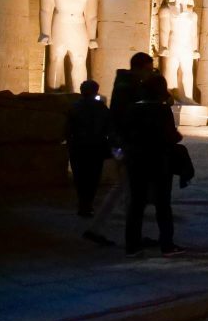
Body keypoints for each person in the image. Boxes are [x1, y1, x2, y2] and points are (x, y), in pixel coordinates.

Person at [83, 52, 156, 247]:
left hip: (122, 143)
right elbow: (128, 117)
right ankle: (124, 235)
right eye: (149, 70)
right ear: (139, 68)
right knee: (129, 191)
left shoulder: (126, 85)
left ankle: (99, 230)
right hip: (126, 144)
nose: (150, 74)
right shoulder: (128, 87)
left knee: (124, 190)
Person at [122, 72, 183, 256]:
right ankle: (167, 244)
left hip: (137, 160)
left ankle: (132, 245)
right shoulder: (162, 110)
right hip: (159, 160)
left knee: (136, 204)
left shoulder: (133, 109)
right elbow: (171, 136)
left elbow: (126, 134)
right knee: (163, 204)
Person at [66, 80, 111, 217]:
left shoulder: (74, 107)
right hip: (96, 146)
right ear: (96, 91)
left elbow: (68, 128)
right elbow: (108, 127)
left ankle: (83, 203)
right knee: (93, 177)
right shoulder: (101, 108)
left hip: (78, 146)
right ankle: (88, 203)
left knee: (80, 176)